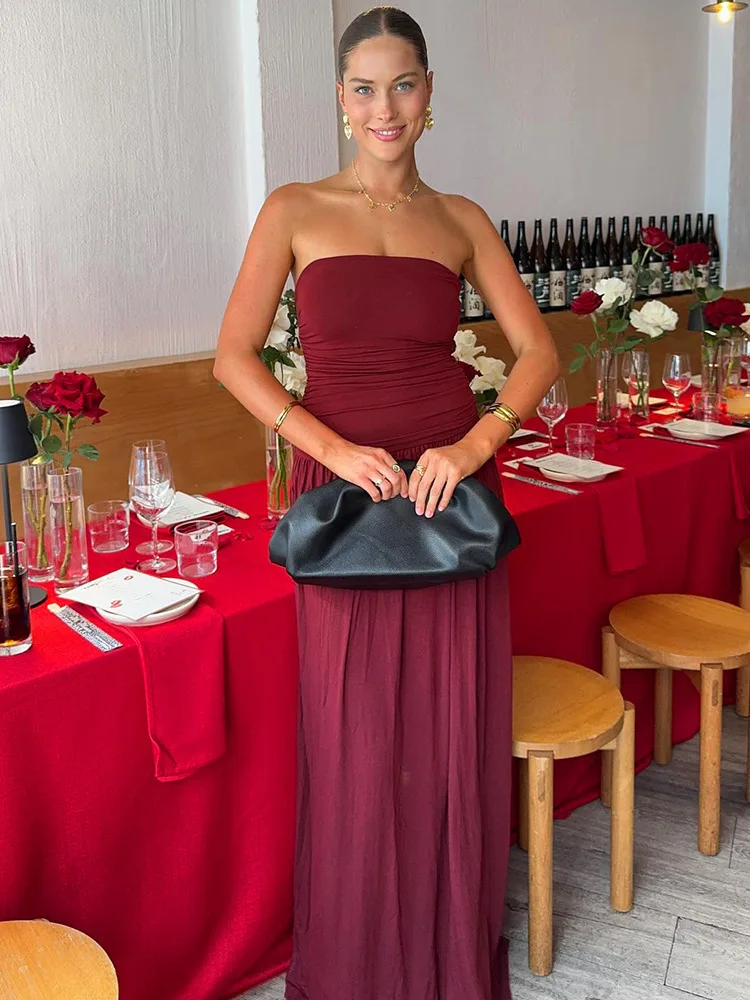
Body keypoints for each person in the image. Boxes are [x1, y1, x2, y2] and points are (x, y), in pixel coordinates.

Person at [215, 8, 559, 999]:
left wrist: (477, 442)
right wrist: (327, 447)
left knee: (450, 728)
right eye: (364, 88)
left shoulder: (462, 220)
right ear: (340, 98)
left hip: (451, 494)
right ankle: (358, 963)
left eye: (402, 84)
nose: (384, 108)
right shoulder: (293, 208)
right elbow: (232, 357)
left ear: (429, 92)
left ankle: (449, 955)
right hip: (343, 501)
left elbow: (540, 352)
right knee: (353, 730)